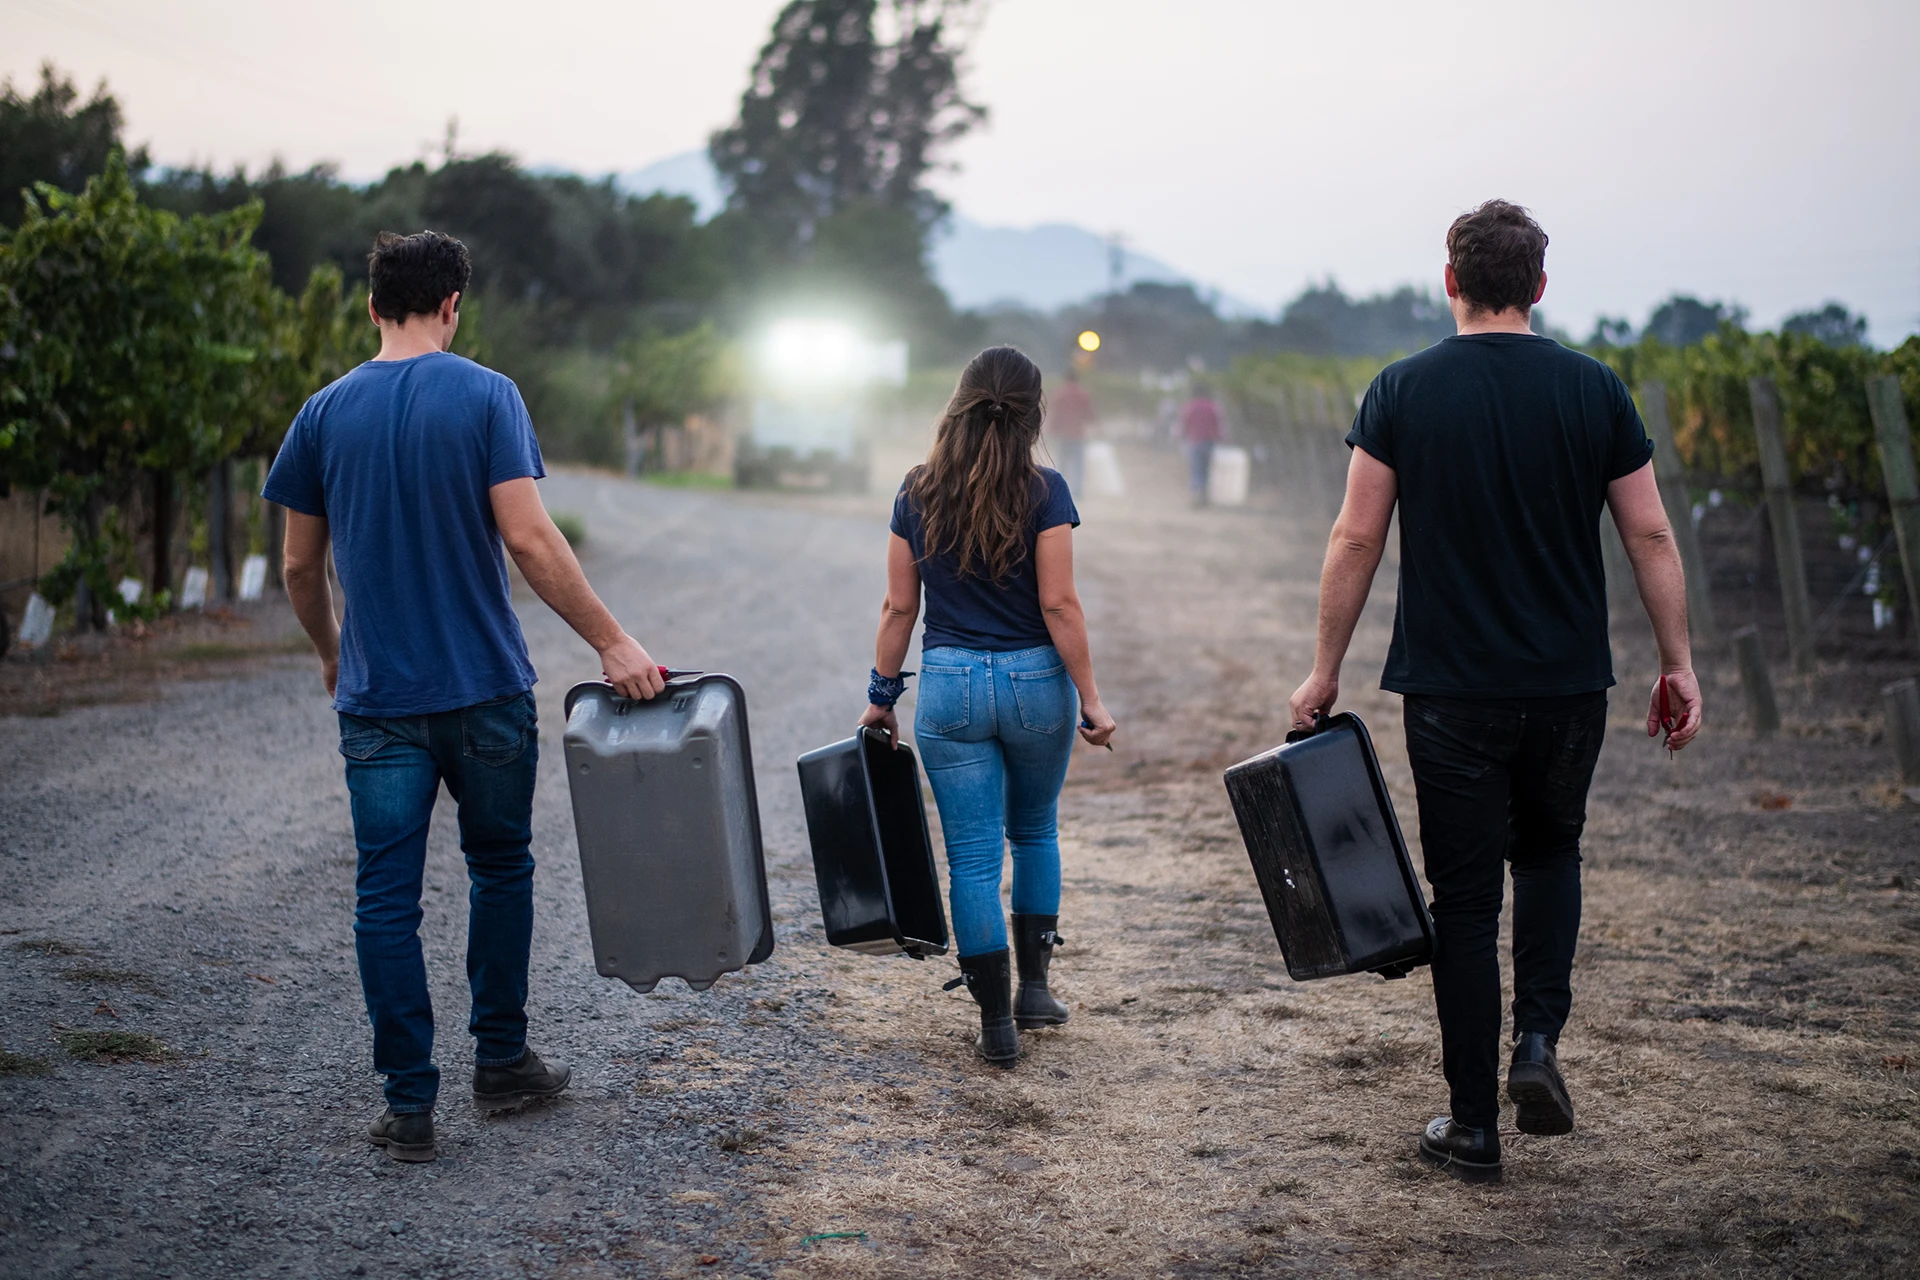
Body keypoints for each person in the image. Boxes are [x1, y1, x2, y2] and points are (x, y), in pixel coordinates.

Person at [1286, 200, 1702, 1184]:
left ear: (1450, 281)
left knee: (1465, 902)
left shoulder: (1401, 390)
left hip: (1450, 691)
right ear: (1541, 287)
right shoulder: (1595, 389)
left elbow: (1355, 536)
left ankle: (1473, 1127)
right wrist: (1677, 658)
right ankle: (1539, 1046)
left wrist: (1324, 667)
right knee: (1552, 852)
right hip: (1567, 686)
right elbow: (1648, 533)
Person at [266, 231, 667, 1163]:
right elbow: (529, 540)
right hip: (485, 692)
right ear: (454, 305)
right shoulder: (489, 396)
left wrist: (333, 651)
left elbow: (297, 564)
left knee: (384, 901)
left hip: (379, 702)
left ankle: (409, 1108)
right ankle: (500, 1063)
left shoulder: (321, 414)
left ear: (372, 308)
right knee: (499, 868)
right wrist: (611, 640)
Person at [860, 346, 1118, 1068]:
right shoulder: (1046, 489)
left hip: (948, 687)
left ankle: (995, 1030)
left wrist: (881, 699)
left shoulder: (918, 490)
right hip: (1036, 684)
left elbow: (897, 606)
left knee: (972, 859)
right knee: (1033, 832)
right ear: (1033, 414)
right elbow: (1059, 603)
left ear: (959, 402)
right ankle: (1034, 993)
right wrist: (1092, 700)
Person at [1045, 367, 1096, 496]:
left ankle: (1061, 490)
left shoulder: (1059, 394)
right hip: (1078, 433)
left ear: (1066, 379)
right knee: (1078, 464)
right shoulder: (1083, 394)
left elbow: (1054, 414)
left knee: (1063, 462)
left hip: (1063, 434)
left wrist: (1051, 430)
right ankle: (1078, 491)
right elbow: (1089, 413)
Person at [1179, 384, 1224, 504]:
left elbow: (1184, 422)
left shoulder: (1191, 406)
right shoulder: (1213, 406)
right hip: (1209, 442)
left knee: (1196, 469)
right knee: (1206, 469)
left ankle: (1196, 494)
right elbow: (1218, 423)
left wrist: (1184, 436)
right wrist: (1221, 437)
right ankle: (1204, 495)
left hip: (1194, 441)